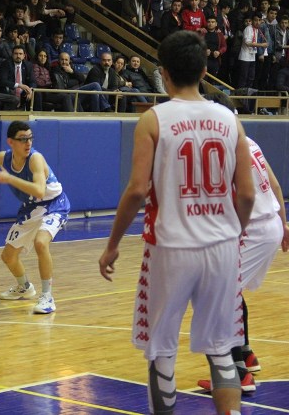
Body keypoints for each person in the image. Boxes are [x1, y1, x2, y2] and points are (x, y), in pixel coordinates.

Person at [98, 31, 255, 415]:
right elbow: (247, 195)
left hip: (171, 248)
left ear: (162, 73)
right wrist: (236, 232)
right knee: (221, 348)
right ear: (204, 70)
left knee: (161, 349)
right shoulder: (230, 120)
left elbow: (137, 190)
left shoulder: (153, 119)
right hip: (222, 247)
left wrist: (113, 243)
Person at [195, 93, 289, 393]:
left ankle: (236, 374)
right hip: (270, 222)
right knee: (230, 292)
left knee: (217, 295)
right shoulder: (250, 143)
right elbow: (274, 185)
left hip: (254, 227)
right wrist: (284, 224)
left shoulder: (222, 151)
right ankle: (246, 355)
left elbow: (236, 199)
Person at [0, 121, 70, 314]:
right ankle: (24, 287)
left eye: (30, 138)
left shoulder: (35, 158)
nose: (28, 143)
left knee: (41, 243)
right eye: (23, 139)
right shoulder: (2, 158)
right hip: (31, 208)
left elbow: (40, 191)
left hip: (54, 204)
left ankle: (47, 296)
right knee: (8, 256)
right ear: (11, 142)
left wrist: (9, 178)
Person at [0, 45, 41, 111]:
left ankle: (35, 117)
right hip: (8, 92)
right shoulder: (6, 64)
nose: (18, 56)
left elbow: (33, 81)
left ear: (24, 55)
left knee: (36, 94)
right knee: (13, 97)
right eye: (16, 54)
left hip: (22, 94)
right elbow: (2, 81)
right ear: (12, 54)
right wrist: (19, 85)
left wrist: (30, 90)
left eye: (20, 54)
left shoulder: (28, 65)